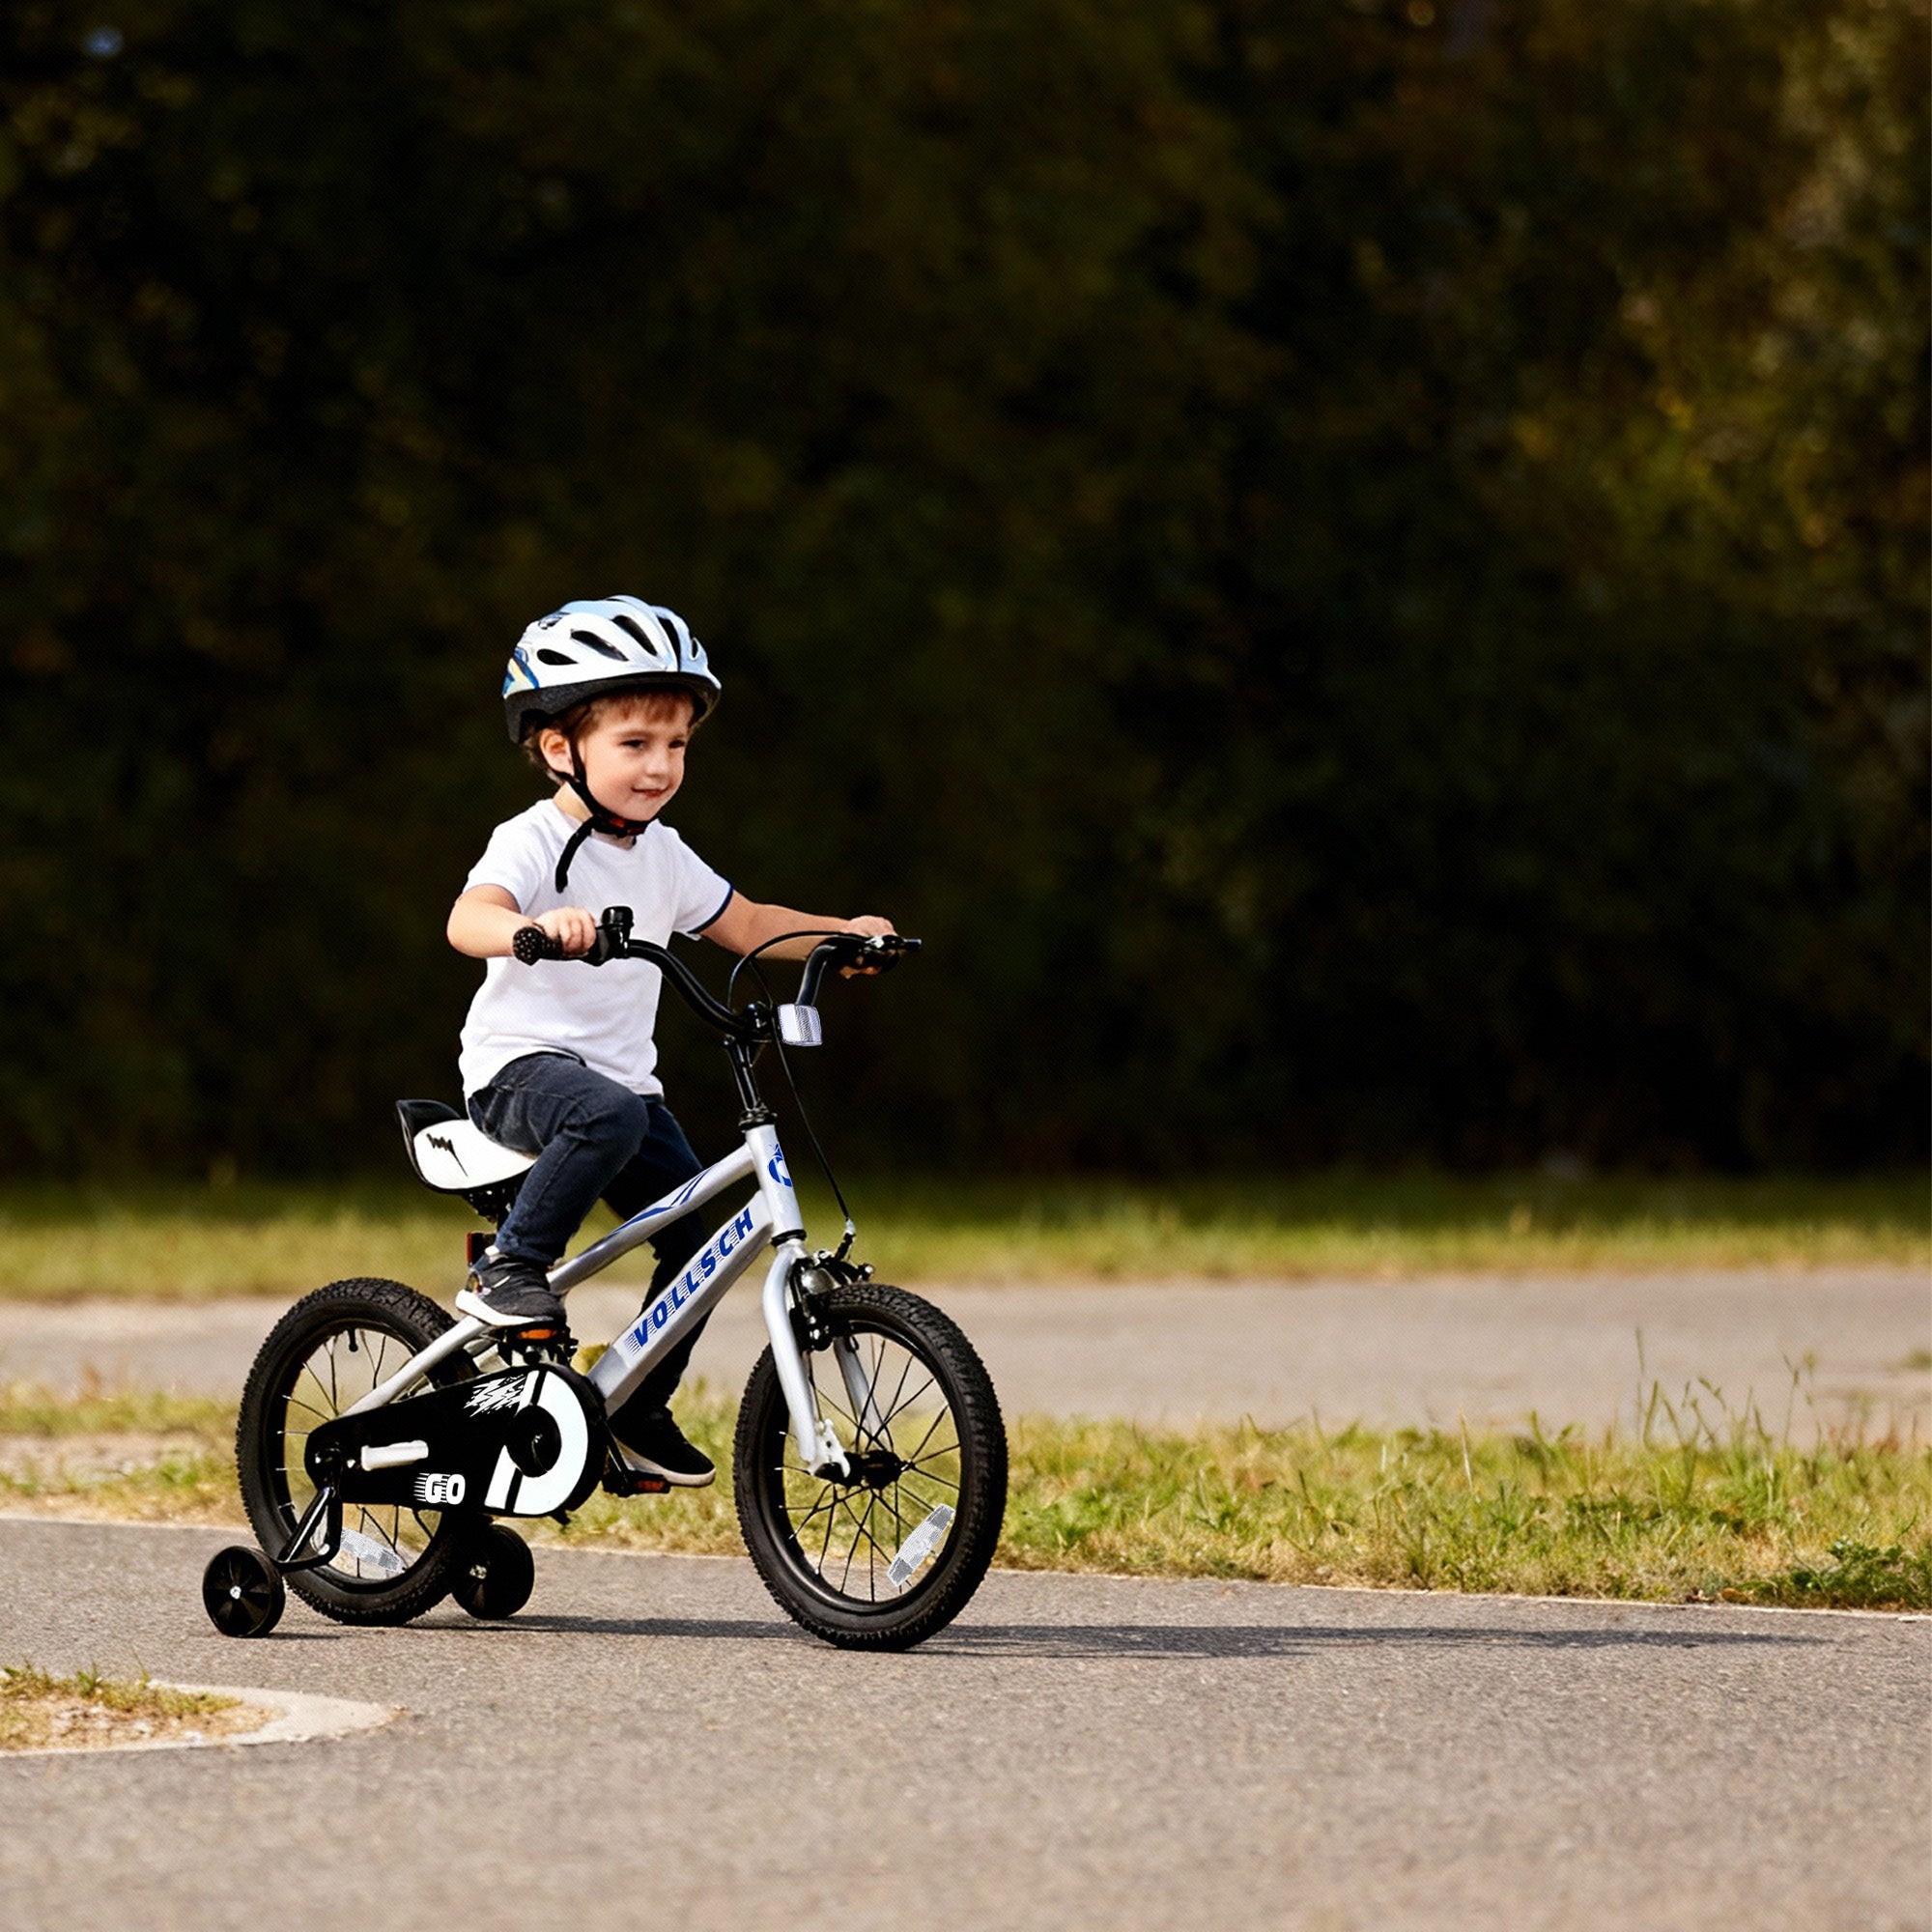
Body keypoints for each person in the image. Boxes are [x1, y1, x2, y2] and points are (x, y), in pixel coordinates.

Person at [445, 595, 894, 1487]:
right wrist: (535, 930)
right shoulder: (534, 839)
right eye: (634, 745)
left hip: (618, 1093)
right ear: (558, 748)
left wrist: (841, 934)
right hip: (519, 1073)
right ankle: (508, 1270)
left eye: (676, 745)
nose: (659, 767)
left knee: (706, 1232)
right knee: (605, 1113)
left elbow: (750, 922)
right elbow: (469, 918)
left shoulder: (663, 854)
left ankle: (636, 1407)